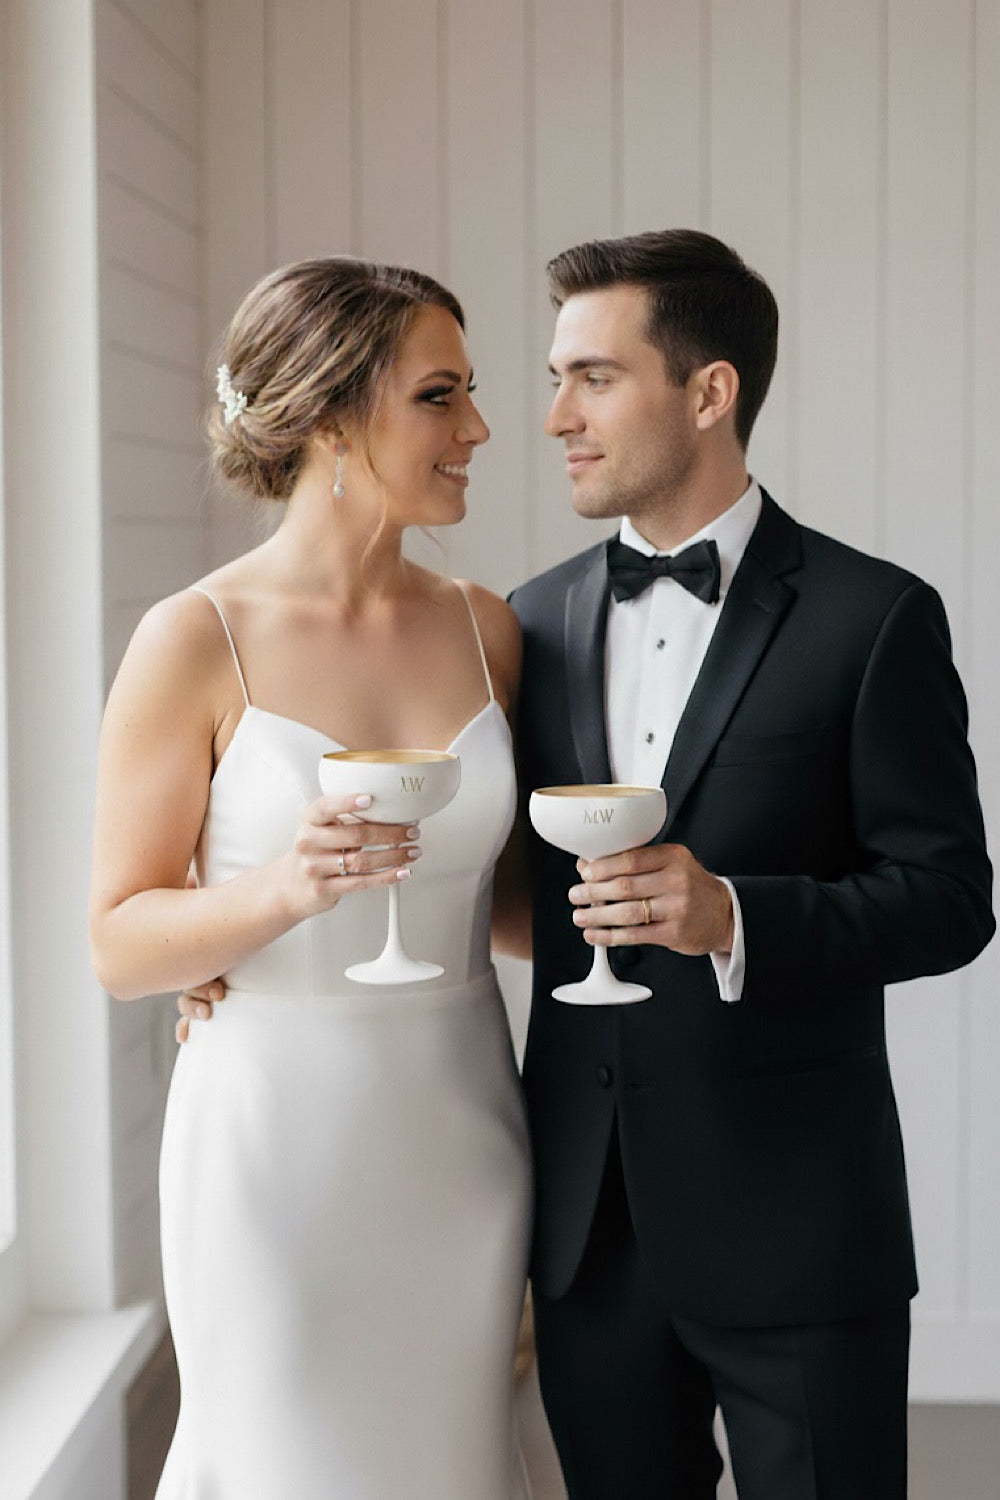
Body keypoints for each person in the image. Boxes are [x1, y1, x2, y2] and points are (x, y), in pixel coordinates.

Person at [502, 229, 995, 1499]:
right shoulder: (529, 622)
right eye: (556, 379)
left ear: (707, 391)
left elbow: (949, 901)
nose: (555, 417)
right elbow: (498, 889)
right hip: (589, 1237)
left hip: (800, 1230)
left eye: (593, 378)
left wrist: (732, 916)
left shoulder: (873, 618)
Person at [89, 258, 532, 1499]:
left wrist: (678, 908)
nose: (477, 428)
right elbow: (119, 942)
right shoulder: (196, 637)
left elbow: (503, 906)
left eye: (471, 392)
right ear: (332, 417)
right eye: (439, 395)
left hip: (463, 1130)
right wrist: (282, 893)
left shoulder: (486, 627)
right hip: (274, 1143)